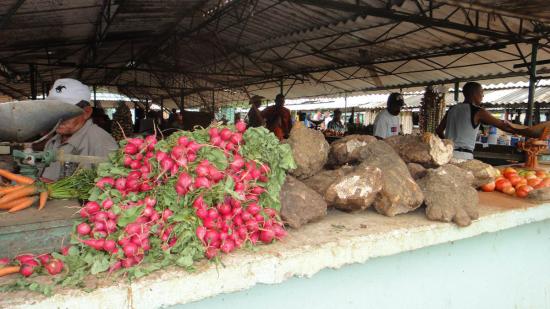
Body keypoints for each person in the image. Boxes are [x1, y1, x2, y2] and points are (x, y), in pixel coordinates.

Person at [41, 79, 118, 181]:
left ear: (86, 112)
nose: (58, 118)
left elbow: (110, 187)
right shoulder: (53, 142)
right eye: (53, 111)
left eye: (66, 112)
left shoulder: (101, 142)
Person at [436, 81, 517, 160]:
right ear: (475, 94)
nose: (483, 96)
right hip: (464, 156)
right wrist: (524, 130)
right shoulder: (478, 111)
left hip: (448, 155)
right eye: (481, 92)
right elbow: (503, 125)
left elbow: (439, 130)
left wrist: (448, 145)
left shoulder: (452, 109)